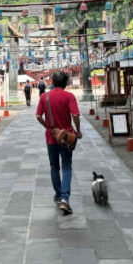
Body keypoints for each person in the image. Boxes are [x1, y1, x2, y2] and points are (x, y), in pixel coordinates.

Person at [36, 71, 82, 215]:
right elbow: (75, 115)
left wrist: (48, 127)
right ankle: (65, 199)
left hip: (51, 136)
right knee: (67, 166)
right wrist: (78, 131)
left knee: (54, 166)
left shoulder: (45, 96)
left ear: (53, 82)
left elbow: (38, 116)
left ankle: (58, 195)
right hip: (66, 136)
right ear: (65, 83)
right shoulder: (69, 96)